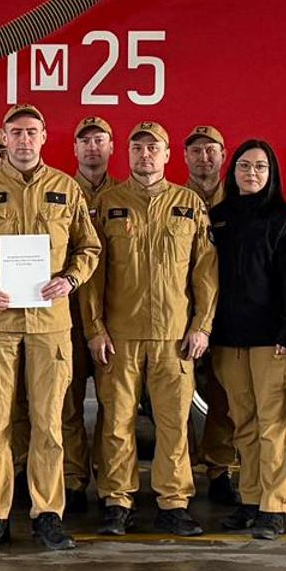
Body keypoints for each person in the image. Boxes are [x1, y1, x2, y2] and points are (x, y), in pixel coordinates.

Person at [0, 104, 102, 552]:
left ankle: (48, 514)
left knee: (48, 424)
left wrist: (70, 279)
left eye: (31, 133)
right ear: (4, 136)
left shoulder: (65, 189)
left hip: (49, 326)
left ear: (44, 138)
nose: (22, 140)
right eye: (15, 133)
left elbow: (89, 247)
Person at [80, 121, 216, 538]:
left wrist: (202, 326)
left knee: (174, 423)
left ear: (167, 153)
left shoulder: (189, 203)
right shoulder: (108, 204)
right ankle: (117, 501)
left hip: (174, 337)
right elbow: (93, 274)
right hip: (119, 335)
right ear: (127, 153)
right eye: (137, 148)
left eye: (153, 148)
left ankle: (173, 503)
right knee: (116, 421)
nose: (145, 155)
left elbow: (205, 272)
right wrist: (95, 329)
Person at [210, 139, 286, 540]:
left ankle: (273, 505)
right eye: (245, 166)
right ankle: (250, 500)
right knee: (243, 424)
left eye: (261, 167)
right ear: (232, 171)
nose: (252, 173)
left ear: (272, 174)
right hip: (229, 340)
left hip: (273, 341)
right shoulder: (217, 218)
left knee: (272, 425)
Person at [58, 116, 117, 506]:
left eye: (100, 140)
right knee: (67, 403)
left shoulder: (126, 196)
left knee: (115, 409)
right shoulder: (60, 193)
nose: (92, 147)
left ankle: (113, 488)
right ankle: (74, 479)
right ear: (75, 150)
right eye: (86, 142)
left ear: (111, 148)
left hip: (117, 321)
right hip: (67, 317)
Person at [183, 124, 241, 506]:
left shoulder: (239, 201)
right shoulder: (172, 199)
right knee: (177, 399)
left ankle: (220, 470)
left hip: (229, 315)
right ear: (184, 157)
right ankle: (181, 473)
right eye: (197, 151)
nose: (205, 157)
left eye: (211, 151)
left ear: (223, 156)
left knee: (222, 397)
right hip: (179, 316)